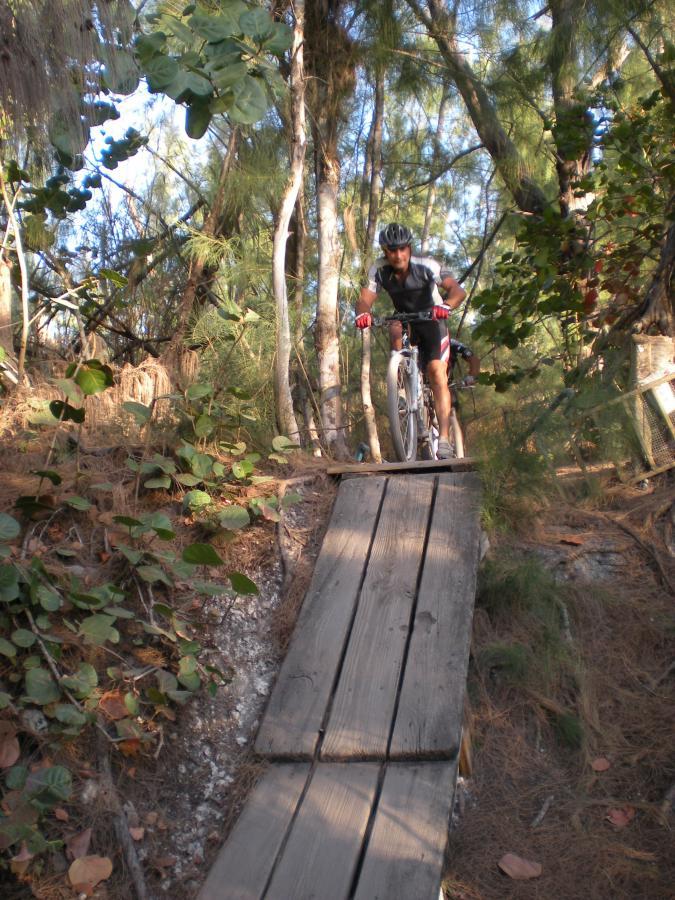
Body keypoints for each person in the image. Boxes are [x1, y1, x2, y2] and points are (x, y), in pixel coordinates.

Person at [355, 222, 466, 459]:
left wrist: (446, 305)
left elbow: (457, 291)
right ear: (385, 251)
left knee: (437, 373)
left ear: (409, 248)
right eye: (392, 250)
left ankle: (444, 440)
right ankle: (403, 384)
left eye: (402, 249)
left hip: (433, 320)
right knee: (393, 328)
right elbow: (365, 299)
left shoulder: (426, 266)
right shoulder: (379, 269)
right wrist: (363, 313)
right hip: (406, 319)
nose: (397, 255)